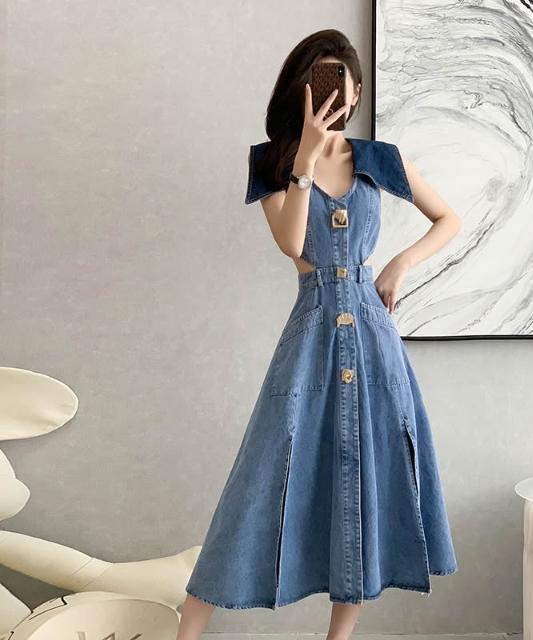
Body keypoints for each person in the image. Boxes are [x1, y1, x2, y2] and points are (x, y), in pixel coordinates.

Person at [176, 29, 462, 640]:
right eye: (318, 78)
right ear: (300, 88)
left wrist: (399, 264)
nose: (331, 91)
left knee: (366, 475)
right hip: (309, 339)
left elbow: (448, 218)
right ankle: (187, 630)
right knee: (260, 476)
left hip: (375, 341)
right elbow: (291, 244)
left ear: (356, 91)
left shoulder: (380, 158)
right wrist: (305, 159)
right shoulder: (274, 162)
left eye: (341, 80)